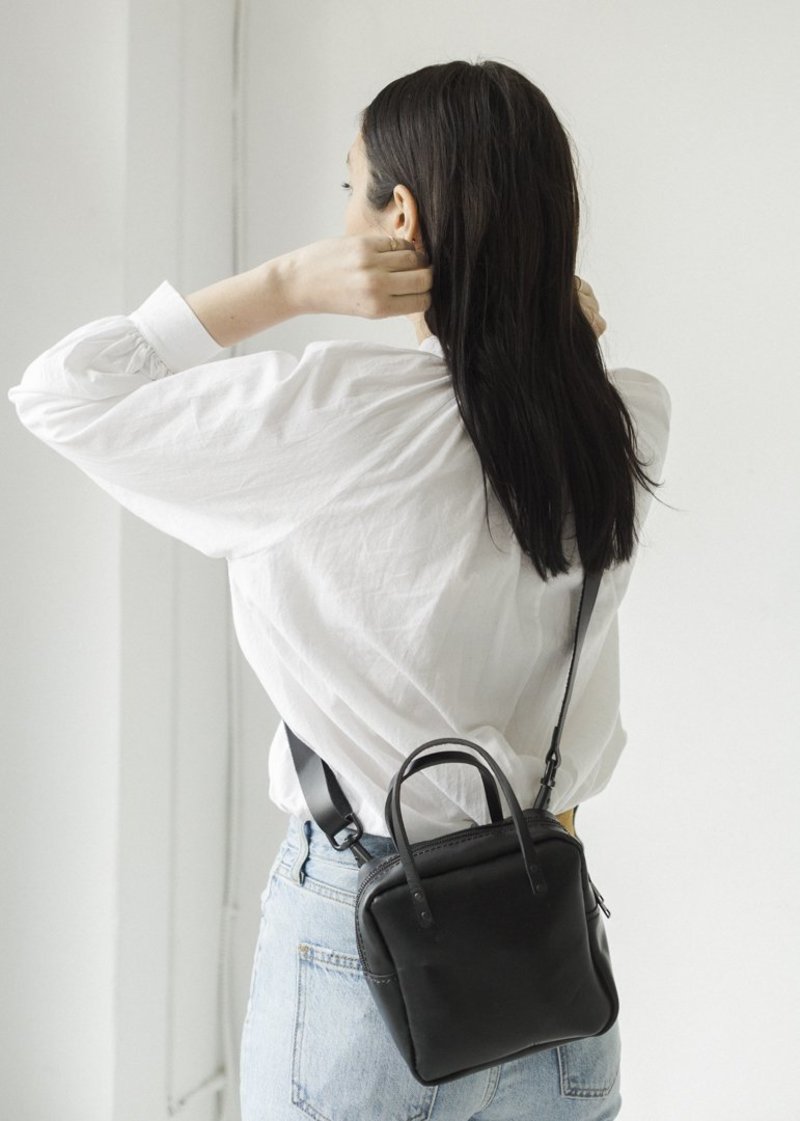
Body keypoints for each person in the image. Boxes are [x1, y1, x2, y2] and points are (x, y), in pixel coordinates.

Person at [8, 58, 670, 1121]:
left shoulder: (326, 413)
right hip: (549, 950)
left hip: (364, 938)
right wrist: (562, 322)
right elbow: (524, 399)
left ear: (398, 219)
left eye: (349, 187)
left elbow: (61, 393)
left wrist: (284, 285)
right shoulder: (624, 418)